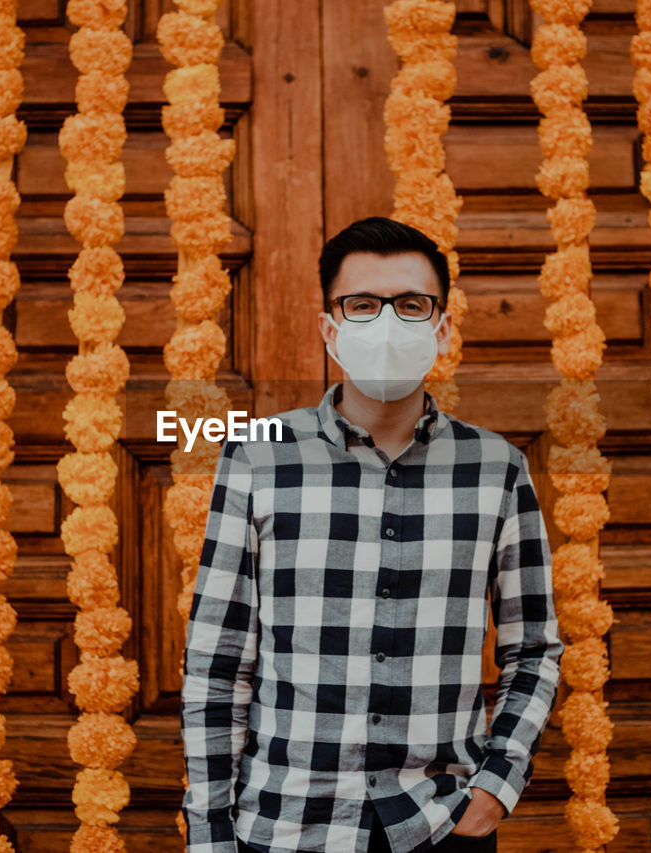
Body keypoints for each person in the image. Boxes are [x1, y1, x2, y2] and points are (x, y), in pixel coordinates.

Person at [180, 216, 562, 853]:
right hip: (285, 822)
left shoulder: (497, 468)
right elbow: (218, 665)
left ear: (441, 326)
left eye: (411, 305)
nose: (387, 323)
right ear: (330, 327)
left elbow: (534, 650)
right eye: (362, 304)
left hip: (440, 824)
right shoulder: (256, 455)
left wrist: (498, 784)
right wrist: (210, 836)